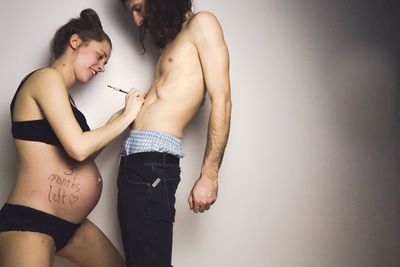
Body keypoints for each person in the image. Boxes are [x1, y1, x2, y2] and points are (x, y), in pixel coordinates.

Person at [0, 8, 144, 267]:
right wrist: (126, 117)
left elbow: (80, 155)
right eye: (100, 56)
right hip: (30, 222)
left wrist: (119, 117)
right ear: (75, 41)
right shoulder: (45, 78)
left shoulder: (66, 100)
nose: (101, 67)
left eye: (105, 63)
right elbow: (78, 148)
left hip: (69, 225)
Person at [116, 0, 232, 266]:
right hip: (133, 165)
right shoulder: (169, 42)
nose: (137, 20)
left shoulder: (202, 23)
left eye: (137, 7)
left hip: (153, 168)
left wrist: (209, 175)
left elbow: (222, 99)